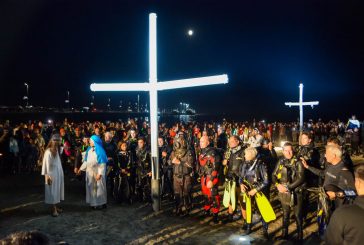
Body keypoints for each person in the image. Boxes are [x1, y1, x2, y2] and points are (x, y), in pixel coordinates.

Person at [272, 142, 305, 241]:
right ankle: (284, 234)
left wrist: (288, 188)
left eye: (290, 150)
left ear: (293, 150)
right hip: (283, 191)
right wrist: (277, 185)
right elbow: (273, 175)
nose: (288, 152)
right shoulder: (281, 160)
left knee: (298, 215)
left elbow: (301, 178)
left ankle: (300, 236)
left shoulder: (298, 162)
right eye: (286, 150)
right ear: (283, 151)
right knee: (285, 214)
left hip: (296, 191)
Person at [325, 164, 364, 245]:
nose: (325, 155)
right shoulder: (330, 167)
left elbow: (353, 192)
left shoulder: (346, 172)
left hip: (346, 210)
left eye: (327, 153)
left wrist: (336, 194)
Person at [239, 147, 270, 238]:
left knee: (263, 210)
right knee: (248, 209)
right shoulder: (244, 164)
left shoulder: (261, 165)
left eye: (246, 154)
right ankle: (249, 228)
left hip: (259, 191)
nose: (244, 156)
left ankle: (265, 231)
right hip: (248, 190)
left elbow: (266, 181)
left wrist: (256, 190)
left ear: (252, 155)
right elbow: (240, 177)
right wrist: (241, 184)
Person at [78, 135, 108, 210]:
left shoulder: (100, 151)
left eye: (91, 141)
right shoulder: (89, 149)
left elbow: (102, 163)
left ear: (95, 142)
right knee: (92, 188)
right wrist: (80, 169)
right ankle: (93, 203)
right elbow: (86, 161)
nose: (89, 142)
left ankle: (102, 203)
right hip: (90, 172)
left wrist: (100, 173)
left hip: (97, 172)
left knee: (99, 189)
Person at [198, 135, 222, 224]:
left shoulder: (213, 152)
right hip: (204, 176)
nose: (201, 143)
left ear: (208, 142)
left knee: (213, 194)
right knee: (205, 194)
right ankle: (207, 209)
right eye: (200, 141)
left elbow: (216, 167)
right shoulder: (202, 152)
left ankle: (215, 214)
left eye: (203, 142)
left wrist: (211, 179)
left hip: (211, 177)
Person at [169, 133, 194, 215]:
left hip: (186, 176)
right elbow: (169, 161)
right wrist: (171, 161)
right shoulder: (174, 152)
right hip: (176, 176)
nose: (179, 142)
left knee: (186, 193)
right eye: (177, 141)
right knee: (177, 194)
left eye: (181, 140)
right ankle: (178, 208)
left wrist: (180, 162)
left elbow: (190, 165)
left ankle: (187, 208)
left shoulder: (188, 152)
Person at [41, 134, 64, 217]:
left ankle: (56, 207)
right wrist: (47, 176)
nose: (57, 143)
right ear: (53, 141)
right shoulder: (48, 152)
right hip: (51, 174)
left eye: (58, 141)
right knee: (52, 191)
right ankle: (54, 209)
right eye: (56, 141)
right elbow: (45, 165)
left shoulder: (58, 150)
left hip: (58, 172)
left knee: (57, 190)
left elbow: (63, 149)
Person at [222, 136, 244, 223]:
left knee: (242, 201)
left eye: (232, 141)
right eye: (229, 141)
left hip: (240, 179)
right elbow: (224, 163)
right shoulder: (228, 151)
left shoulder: (243, 151)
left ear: (238, 141)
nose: (230, 143)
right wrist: (224, 162)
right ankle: (230, 216)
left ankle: (246, 220)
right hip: (230, 177)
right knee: (230, 198)